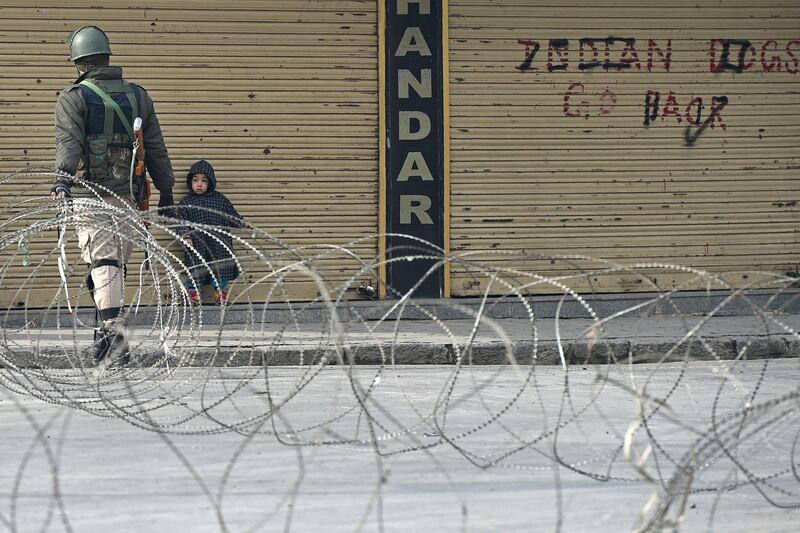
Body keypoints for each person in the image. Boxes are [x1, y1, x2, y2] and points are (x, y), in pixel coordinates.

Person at [51, 25, 175, 365]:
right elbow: (156, 148)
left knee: (104, 264)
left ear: (78, 62)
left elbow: (69, 145)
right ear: (107, 56)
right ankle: (105, 338)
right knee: (111, 266)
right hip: (129, 198)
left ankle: (113, 338)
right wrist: (166, 190)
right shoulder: (138, 95)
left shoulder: (73, 98)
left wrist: (61, 181)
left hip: (90, 195)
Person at [177, 160, 251, 305]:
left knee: (220, 271)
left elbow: (230, 215)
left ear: (210, 182)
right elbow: (181, 222)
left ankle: (221, 296)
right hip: (197, 244)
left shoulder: (219, 200)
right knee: (196, 271)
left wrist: (242, 222)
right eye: (195, 180)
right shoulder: (186, 202)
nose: (199, 184)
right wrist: (185, 236)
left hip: (219, 244)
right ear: (190, 181)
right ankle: (193, 297)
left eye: (204, 180)